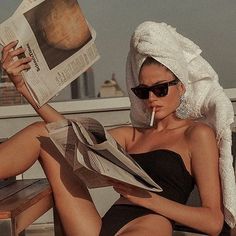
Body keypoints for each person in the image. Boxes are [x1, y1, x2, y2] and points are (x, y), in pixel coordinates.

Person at [0, 21, 235, 236]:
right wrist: (23, 86)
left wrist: (146, 198)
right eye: (143, 91)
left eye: (160, 89)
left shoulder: (196, 134)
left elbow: (212, 221)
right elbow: (69, 134)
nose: (152, 98)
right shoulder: (131, 135)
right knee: (42, 132)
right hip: (101, 225)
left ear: (181, 88)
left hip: (152, 221)